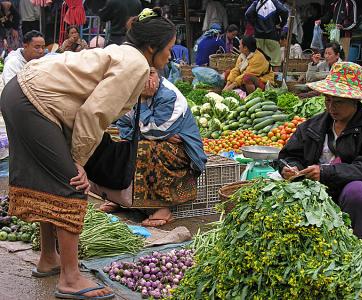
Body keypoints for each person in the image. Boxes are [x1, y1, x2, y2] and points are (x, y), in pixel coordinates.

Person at [0, 7, 175, 300]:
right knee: (72, 183)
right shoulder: (135, 64)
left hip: (21, 94)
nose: (170, 56)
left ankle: (49, 258)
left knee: (49, 180)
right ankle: (70, 278)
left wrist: (73, 156)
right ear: (152, 47)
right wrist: (77, 162)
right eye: (168, 50)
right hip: (34, 101)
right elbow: (94, 113)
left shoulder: (122, 52)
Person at [279, 62, 362, 240]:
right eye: (328, 100)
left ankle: (358, 248)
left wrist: (325, 172)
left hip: (351, 190)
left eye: (338, 102)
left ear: (355, 101)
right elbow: (290, 155)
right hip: (313, 189)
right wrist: (290, 168)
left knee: (357, 193)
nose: (331, 107)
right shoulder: (313, 125)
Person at [98, 68, 207, 226]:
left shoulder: (168, 95)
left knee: (145, 149)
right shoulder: (130, 92)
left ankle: (162, 209)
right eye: (143, 73)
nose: (148, 79)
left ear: (159, 74)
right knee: (119, 147)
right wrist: (153, 134)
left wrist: (142, 105)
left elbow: (156, 130)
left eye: (152, 73)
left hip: (185, 151)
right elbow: (124, 126)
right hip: (155, 142)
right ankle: (119, 198)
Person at [245, 0, 289, 72]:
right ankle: (274, 81)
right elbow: (285, 11)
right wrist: (281, 24)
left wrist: (255, 25)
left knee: (259, 62)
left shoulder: (256, 3)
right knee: (275, 63)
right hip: (272, 37)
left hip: (258, 37)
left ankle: (260, 81)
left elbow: (248, 13)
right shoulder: (275, 2)